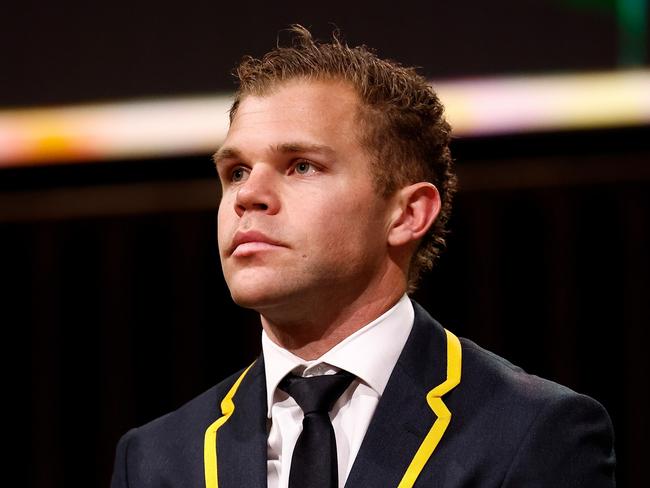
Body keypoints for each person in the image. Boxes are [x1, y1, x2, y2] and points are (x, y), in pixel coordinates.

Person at [110, 25, 616, 488]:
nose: (247, 196)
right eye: (236, 171)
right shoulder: (157, 460)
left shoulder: (533, 433)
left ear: (407, 214)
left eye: (301, 166)